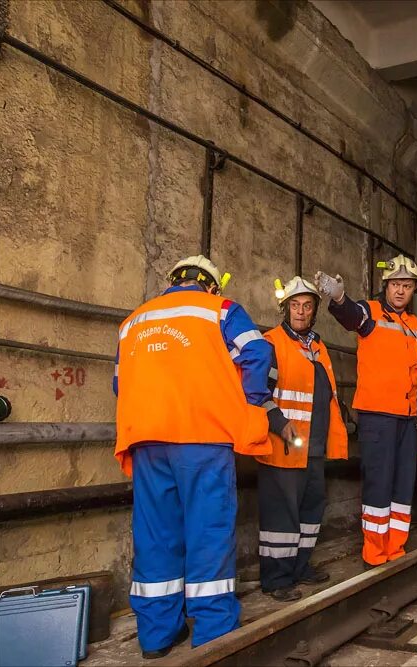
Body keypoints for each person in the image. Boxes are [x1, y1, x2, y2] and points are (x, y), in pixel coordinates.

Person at [113, 255, 272, 658]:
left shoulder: (134, 321)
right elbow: (258, 354)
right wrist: (250, 405)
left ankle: (156, 635)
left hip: (146, 440)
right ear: (212, 285)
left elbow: (120, 383)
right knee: (207, 531)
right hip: (202, 436)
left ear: (172, 281)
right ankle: (214, 630)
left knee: (155, 535)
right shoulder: (221, 310)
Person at [314, 255, 417, 568]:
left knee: (403, 482)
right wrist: (339, 297)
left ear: (413, 289)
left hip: (405, 416)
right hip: (378, 414)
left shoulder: (415, 325)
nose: (400, 291)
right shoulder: (371, 312)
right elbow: (352, 315)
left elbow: (414, 368)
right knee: (379, 481)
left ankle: (396, 548)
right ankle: (375, 553)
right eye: (395, 285)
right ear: (386, 286)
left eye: (407, 286)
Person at [256, 276, 349, 601]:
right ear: (286, 309)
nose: (300, 311)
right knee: (282, 514)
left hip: (313, 448)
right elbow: (257, 393)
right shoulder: (271, 344)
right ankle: (277, 579)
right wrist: (279, 422)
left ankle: (300, 567)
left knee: (311, 509)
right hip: (284, 447)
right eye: (294, 306)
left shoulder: (317, 347)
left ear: (314, 311)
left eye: (307, 306)